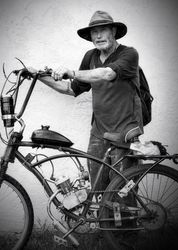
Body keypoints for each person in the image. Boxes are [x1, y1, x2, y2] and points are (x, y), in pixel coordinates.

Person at [30, 10, 143, 192]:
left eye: (103, 30)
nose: (98, 36)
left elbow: (107, 73)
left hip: (125, 134)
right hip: (98, 134)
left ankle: (128, 221)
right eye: (94, 32)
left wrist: (72, 72)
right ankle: (102, 220)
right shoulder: (90, 57)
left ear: (113, 31)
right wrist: (37, 74)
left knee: (122, 193)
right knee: (97, 190)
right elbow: (70, 88)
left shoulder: (129, 54)